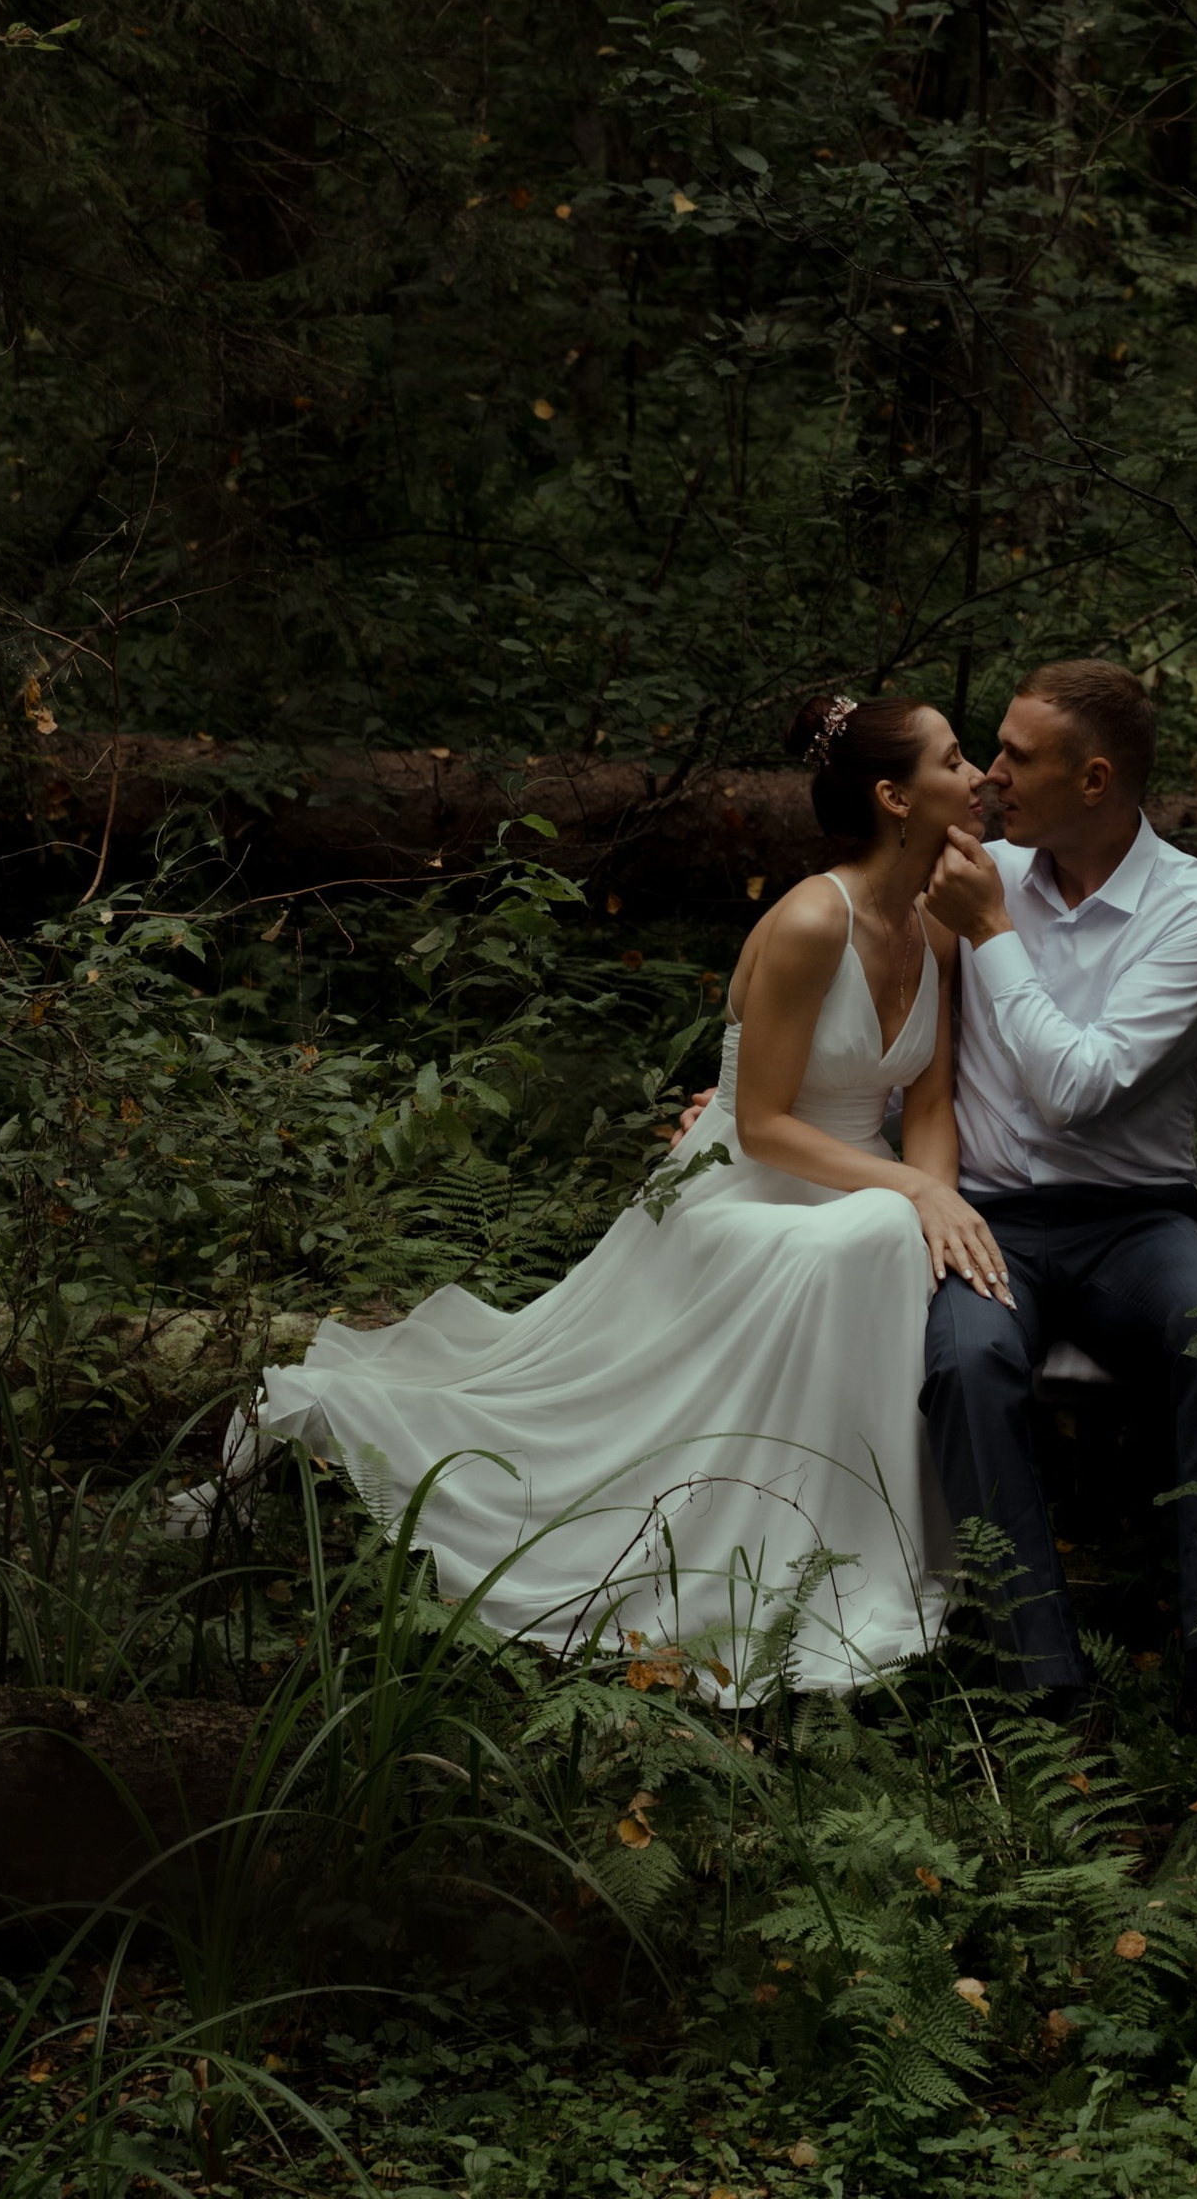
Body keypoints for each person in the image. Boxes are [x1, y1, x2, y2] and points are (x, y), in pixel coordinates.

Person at [243, 692, 1006, 1701]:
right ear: (892, 796)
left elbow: (933, 1099)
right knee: (873, 1226)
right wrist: (908, 1193)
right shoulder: (815, 919)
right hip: (740, 1188)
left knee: (886, 1234)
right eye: (955, 760)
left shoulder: (937, 922)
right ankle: (761, 1563)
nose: (978, 777)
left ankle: (849, 1538)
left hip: (854, 1189)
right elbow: (769, 1122)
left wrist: (941, 1218)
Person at [916, 660, 1197, 1723]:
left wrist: (991, 934)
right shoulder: (979, 872)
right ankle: (1041, 1669)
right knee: (969, 1360)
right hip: (989, 1215)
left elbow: (1075, 1091)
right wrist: (747, 1093)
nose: (989, 774)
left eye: (1017, 757)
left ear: (1096, 779)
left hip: (1133, 1220)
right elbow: (866, 994)